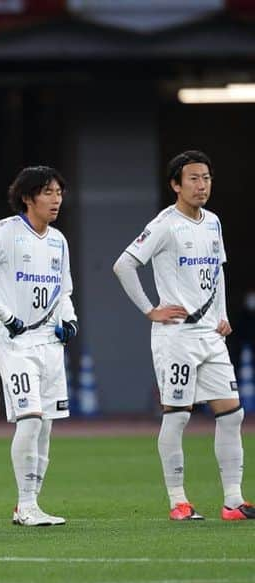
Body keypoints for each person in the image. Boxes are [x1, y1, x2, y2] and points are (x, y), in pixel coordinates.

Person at [113, 150, 252, 521]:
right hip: (176, 337)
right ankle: (178, 501)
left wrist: (221, 315)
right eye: (192, 178)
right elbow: (124, 264)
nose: (201, 185)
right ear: (176, 184)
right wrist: (150, 310)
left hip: (211, 336)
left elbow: (217, 271)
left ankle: (233, 501)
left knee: (232, 414)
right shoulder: (164, 224)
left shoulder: (213, 223)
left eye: (205, 177)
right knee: (177, 417)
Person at [0, 166, 78, 527]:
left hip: (50, 344)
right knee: (31, 418)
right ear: (27, 197)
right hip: (16, 342)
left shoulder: (58, 240)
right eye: (48, 192)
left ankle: (32, 502)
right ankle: (24, 504)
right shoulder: (4, 234)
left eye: (59, 192)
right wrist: (6, 316)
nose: (56, 199)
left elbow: (63, 289)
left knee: (47, 425)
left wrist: (70, 318)